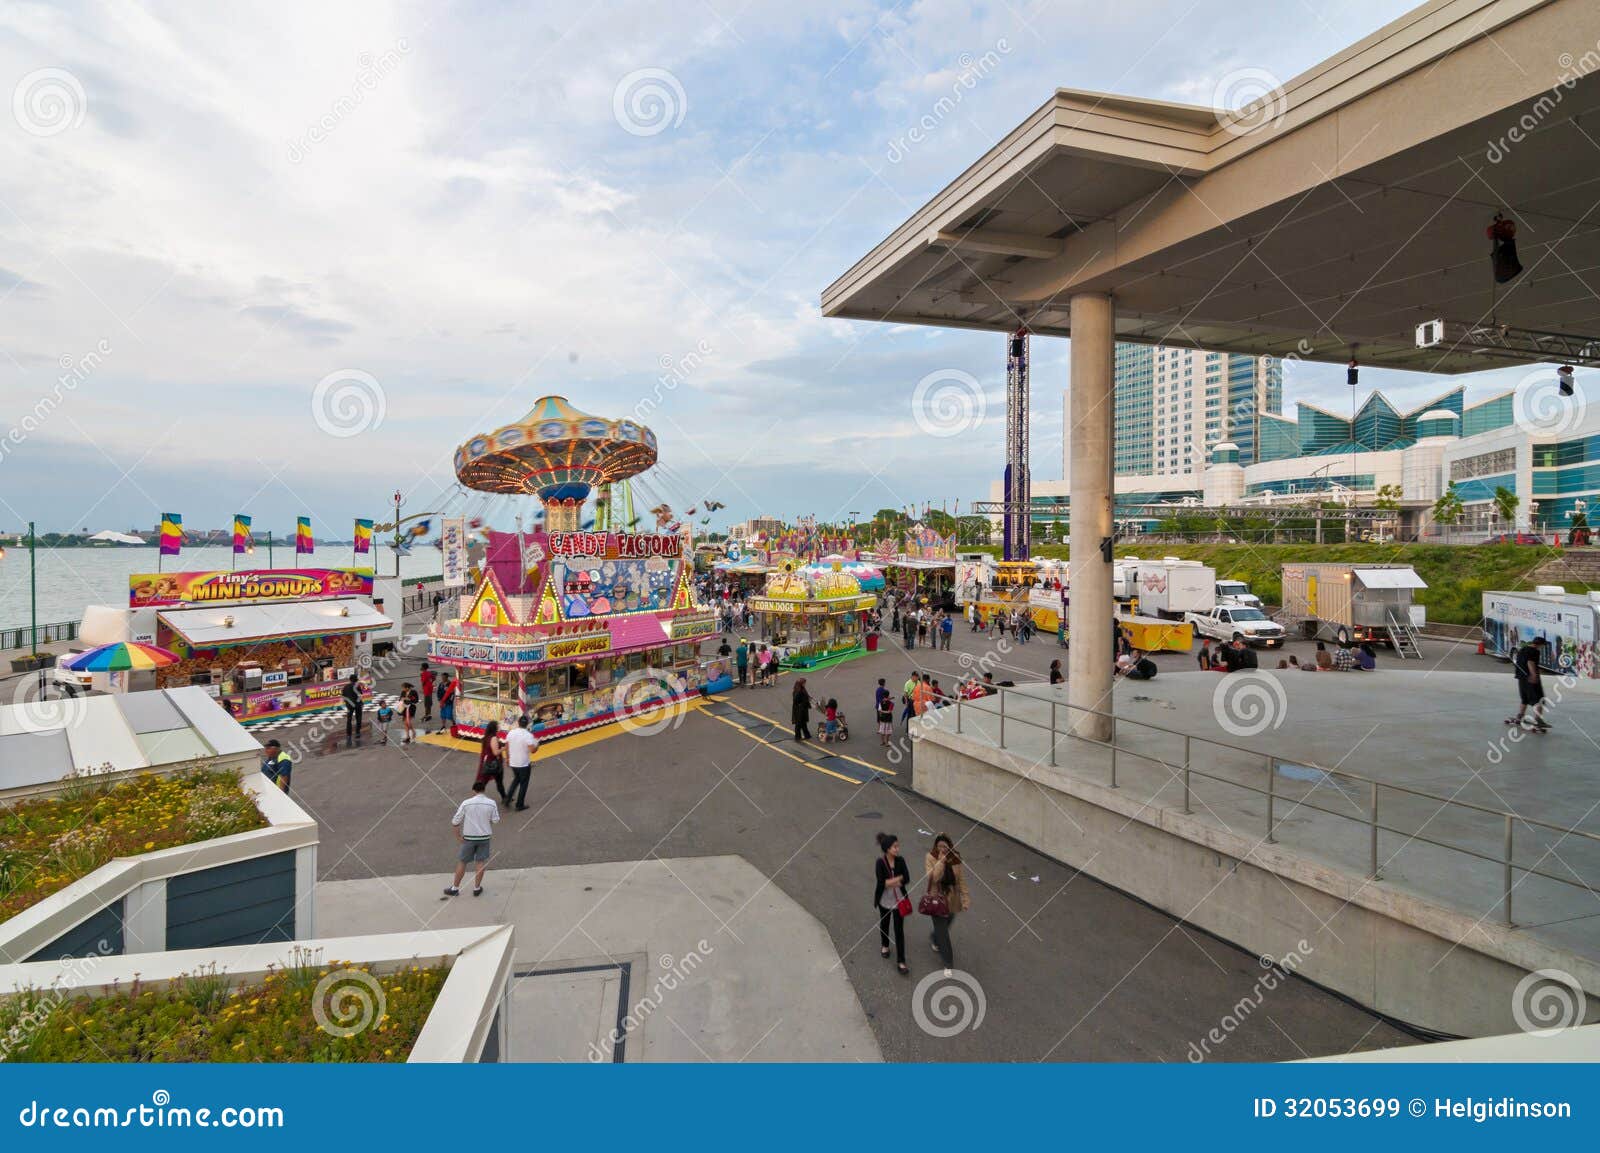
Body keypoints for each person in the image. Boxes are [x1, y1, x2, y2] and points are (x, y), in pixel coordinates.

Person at [923, 833, 970, 976]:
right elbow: (933, 877)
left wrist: (965, 898)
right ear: (935, 846)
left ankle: (934, 937)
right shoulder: (930, 857)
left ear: (950, 846)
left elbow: (961, 880)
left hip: (952, 899)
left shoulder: (955, 858)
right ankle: (948, 963)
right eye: (939, 846)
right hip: (937, 898)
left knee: (948, 922)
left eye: (945, 846)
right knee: (943, 932)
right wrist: (941, 862)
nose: (942, 849)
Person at [444, 779, 499, 898]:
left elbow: (455, 821)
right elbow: (495, 820)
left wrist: (458, 837)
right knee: (480, 862)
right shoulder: (491, 803)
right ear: (484, 790)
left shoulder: (466, 803)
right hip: (484, 837)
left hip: (469, 838)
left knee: (462, 862)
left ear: (473, 790)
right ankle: (477, 888)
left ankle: (455, 888)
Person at [873, 832, 911, 975]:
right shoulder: (880, 862)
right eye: (895, 847)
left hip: (898, 901)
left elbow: (906, 878)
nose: (897, 849)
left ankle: (901, 961)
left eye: (898, 846)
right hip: (884, 900)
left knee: (899, 930)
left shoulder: (901, 861)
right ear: (888, 849)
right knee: (884, 924)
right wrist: (896, 879)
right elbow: (882, 883)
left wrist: (891, 881)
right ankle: (885, 945)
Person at [1509, 635, 1550, 730]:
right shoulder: (1535, 651)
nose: (1542, 647)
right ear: (1540, 645)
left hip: (1521, 677)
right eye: (1543, 645)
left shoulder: (1523, 649)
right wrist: (1533, 675)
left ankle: (1520, 716)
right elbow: (1530, 662)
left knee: (1525, 698)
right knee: (1539, 699)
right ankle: (1538, 720)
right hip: (1531, 678)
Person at [504, 713, 538, 811]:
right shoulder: (528, 735)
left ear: (518, 723)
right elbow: (532, 750)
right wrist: (537, 746)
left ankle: (507, 799)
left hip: (513, 762)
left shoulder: (511, 733)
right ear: (527, 724)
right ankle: (519, 804)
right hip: (523, 764)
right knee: (523, 783)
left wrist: (507, 758)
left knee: (516, 780)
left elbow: (506, 746)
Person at [477, 720, 509, 803]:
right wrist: (503, 748)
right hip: (494, 764)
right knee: (499, 781)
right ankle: (504, 797)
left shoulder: (487, 737)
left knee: (484, 781)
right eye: (498, 725)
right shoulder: (494, 738)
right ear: (494, 728)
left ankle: (478, 798)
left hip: (488, 763)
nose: (499, 727)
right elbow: (495, 752)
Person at [341, 673, 364, 744]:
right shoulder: (357, 686)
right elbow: (360, 695)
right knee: (358, 718)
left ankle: (348, 734)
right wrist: (361, 703)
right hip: (357, 704)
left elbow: (343, 696)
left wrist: (347, 703)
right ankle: (357, 732)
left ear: (350, 680)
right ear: (356, 680)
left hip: (349, 705)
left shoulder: (345, 687)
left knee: (349, 720)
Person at [875, 678, 894, 747]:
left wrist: (881, 714)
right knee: (888, 731)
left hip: (882, 718)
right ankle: (886, 742)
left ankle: (882, 741)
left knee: (882, 730)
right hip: (888, 718)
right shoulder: (891, 703)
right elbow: (889, 711)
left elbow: (880, 710)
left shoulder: (877, 690)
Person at [792, 678, 813, 742]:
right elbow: (796, 700)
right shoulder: (798, 691)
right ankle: (797, 737)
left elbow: (805, 695)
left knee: (803, 722)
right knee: (799, 723)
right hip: (799, 709)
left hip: (803, 708)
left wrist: (808, 697)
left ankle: (807, 735)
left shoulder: (801, 689)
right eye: (804, 683)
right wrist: (805, 701)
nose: (805, 684)